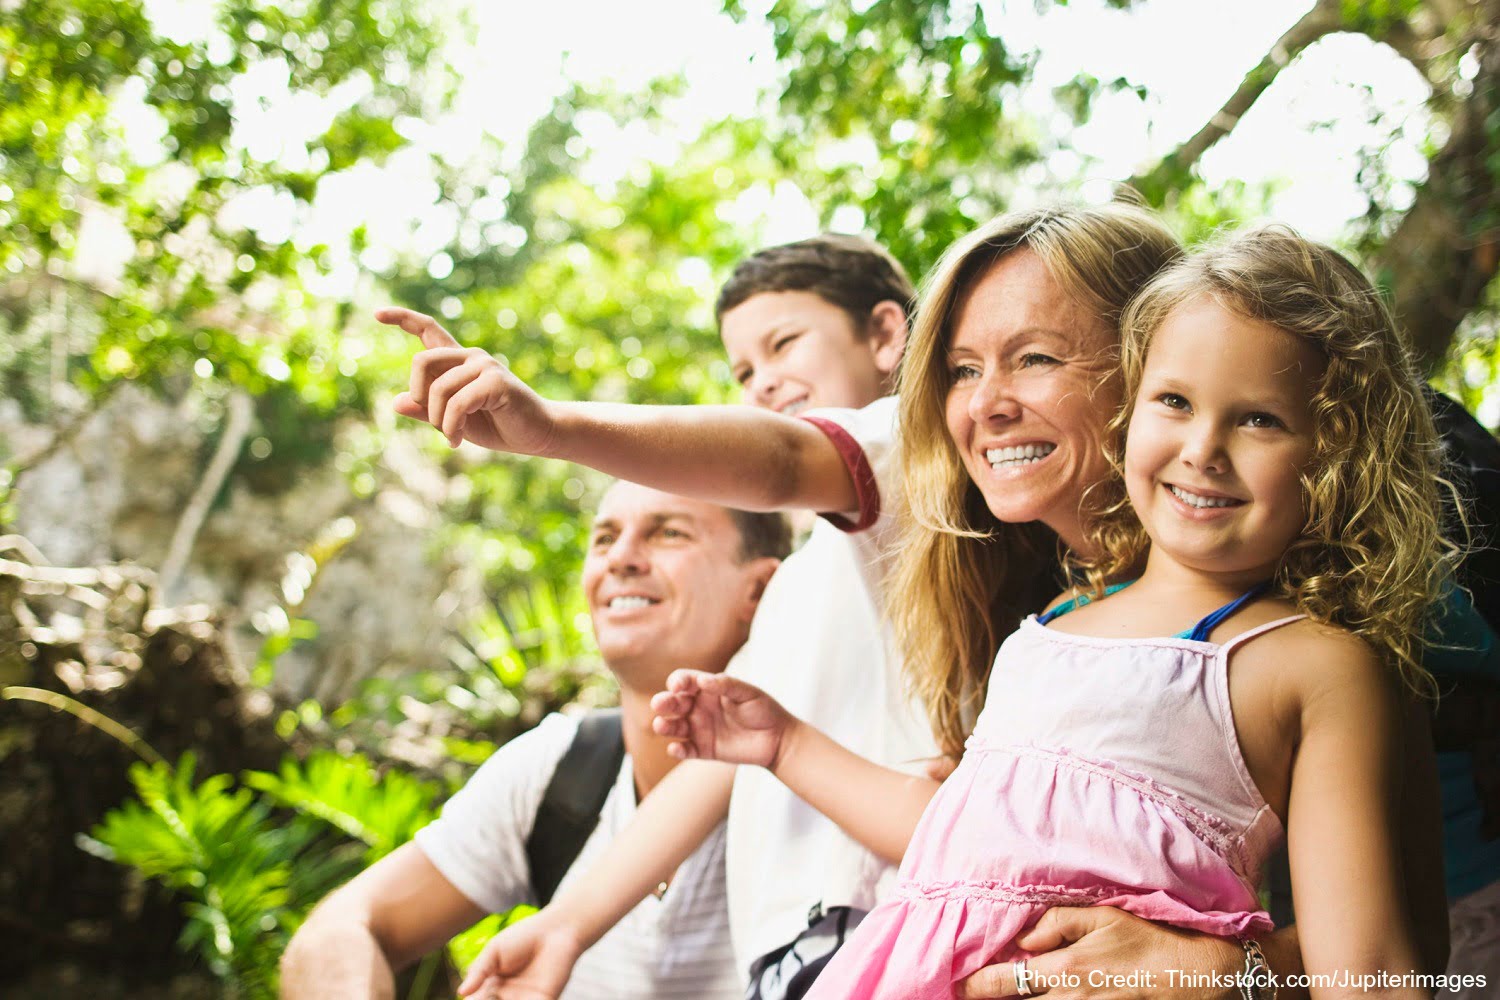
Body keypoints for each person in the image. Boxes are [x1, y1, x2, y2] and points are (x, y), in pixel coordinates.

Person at [384, 207, 1449, 1000]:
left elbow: (1395, 968)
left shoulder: (1310, 661)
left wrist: (1221, 970)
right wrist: (782, 744)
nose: (1202, 446)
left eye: (1257, 417)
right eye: (964, 368)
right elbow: (966, 837)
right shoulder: (1054, 623)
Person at [383, 234, 932, 1000]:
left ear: (883, 334)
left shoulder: (920, 454)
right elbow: (717, 765)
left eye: (784, 345)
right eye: (744, 370)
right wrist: (568, 923)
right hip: (792, 966)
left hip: (889, 935)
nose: (766, 382)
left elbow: (780, 458)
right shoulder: (805, 581)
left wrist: (553, 429)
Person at [278, 481, 791, 1000]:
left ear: (761, 589)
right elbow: (339, 929)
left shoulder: (815, 782)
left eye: (670, 533)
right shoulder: (562, 770)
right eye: (604, 538)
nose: (621, 558)